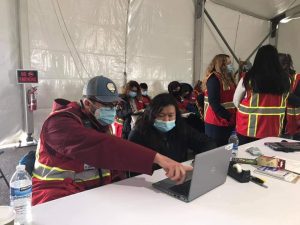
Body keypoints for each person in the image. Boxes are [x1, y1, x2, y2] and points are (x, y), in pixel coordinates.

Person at [32, 76, 192, 205]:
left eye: (115, 105)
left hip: (95, 194)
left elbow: (112, 165)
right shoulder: (59, 124)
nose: (113, 110)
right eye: (108, 105)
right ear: (88, 103)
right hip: (55, 198)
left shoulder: (100, 123)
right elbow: (102, 146)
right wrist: (156, 158)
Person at [128, 93, 216, 169]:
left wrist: (201, 160)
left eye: (170, 115)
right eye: (161, 115)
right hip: (150, 179)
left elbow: (206, 142)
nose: (166, 120)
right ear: (152, 114)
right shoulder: (139, 133)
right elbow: (133, 164)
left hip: (178, 175)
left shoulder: (180, 127)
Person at [233, 45, 290, 145]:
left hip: (247, 129)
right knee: (269, 159)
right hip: (273, 130)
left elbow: (236, 101)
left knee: (245, 158)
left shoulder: (249, 78)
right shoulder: (286, 80)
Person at [202, 54, 237, 146]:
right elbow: (214, 102)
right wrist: (228, 116)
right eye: (228, 63)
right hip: (216, 122)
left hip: (227, 121)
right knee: (215, 149)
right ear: (221, 65)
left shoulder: (227, 79)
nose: (231, 66)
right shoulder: (213, 79)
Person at [278, 53, 300, 139]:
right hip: (279, 128)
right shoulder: (276, 80)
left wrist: (286, 94)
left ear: (284, 65)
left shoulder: (297, 80)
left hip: (295, 131)